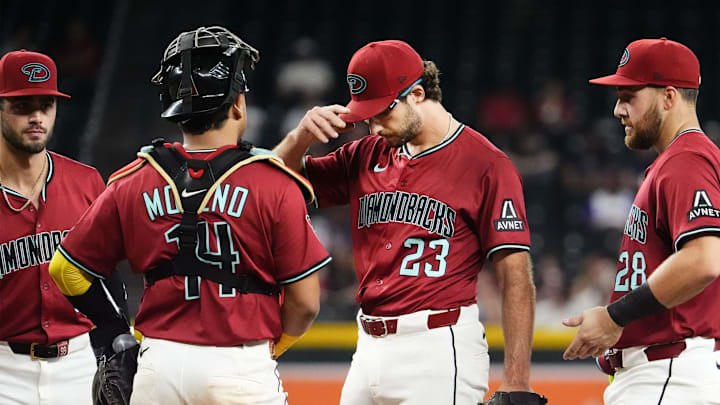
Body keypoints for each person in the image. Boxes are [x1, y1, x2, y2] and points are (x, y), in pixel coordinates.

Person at [48, 26, 331, 405]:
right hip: (240, 365)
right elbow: (307, 301)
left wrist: (116, 334)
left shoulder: (132, 180)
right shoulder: (273, 182)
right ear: (237, 105)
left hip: (157, 367)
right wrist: (273, 347)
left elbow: (65, 270)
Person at [274, 40, 545, 405]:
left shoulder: (487, 164)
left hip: (436, 347)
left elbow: (516, 275)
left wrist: (517, 378)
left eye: (381, 113)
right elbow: (270, 182)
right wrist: (300, 135)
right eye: (365, 116)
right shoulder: (366, 154)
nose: (373, 128)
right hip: (367, 346)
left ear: (417, 94)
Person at [563, 37, 720, 404]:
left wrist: (614, 317)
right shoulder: (683, 160)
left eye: (628, 96)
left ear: (668, 97)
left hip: (668, 371)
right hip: (669, 370)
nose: (618, 109)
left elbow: (704, 259)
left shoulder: (687, 160)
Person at [0, 50, 128, 405]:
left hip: (78, 364)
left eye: (46, 105)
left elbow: (107, 274)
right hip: (3, 369)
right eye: (22, 106)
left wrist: (119, 341)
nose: (36, 117)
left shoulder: (86, 182)